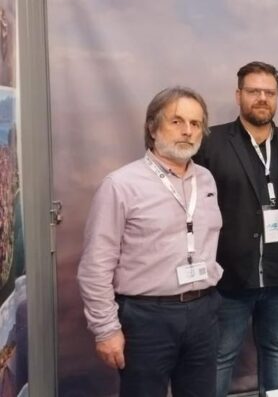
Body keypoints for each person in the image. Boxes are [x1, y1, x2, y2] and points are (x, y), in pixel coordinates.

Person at [78, 87, 223, 396]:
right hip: (146, 319)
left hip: (203, 313)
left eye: (195, 124)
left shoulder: (206, 180)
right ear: (153, 127)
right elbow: (95, 266)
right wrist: (106, 329)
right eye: (177, 121)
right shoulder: (120, 185)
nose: (187, 131)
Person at [193, 61, 278, 396]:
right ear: (238, 95)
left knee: (277, 350)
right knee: (221, 356)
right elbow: (195, 214)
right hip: (229, 278)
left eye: (269, 92)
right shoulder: (211, 143)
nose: (262, 98)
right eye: (254, 91)